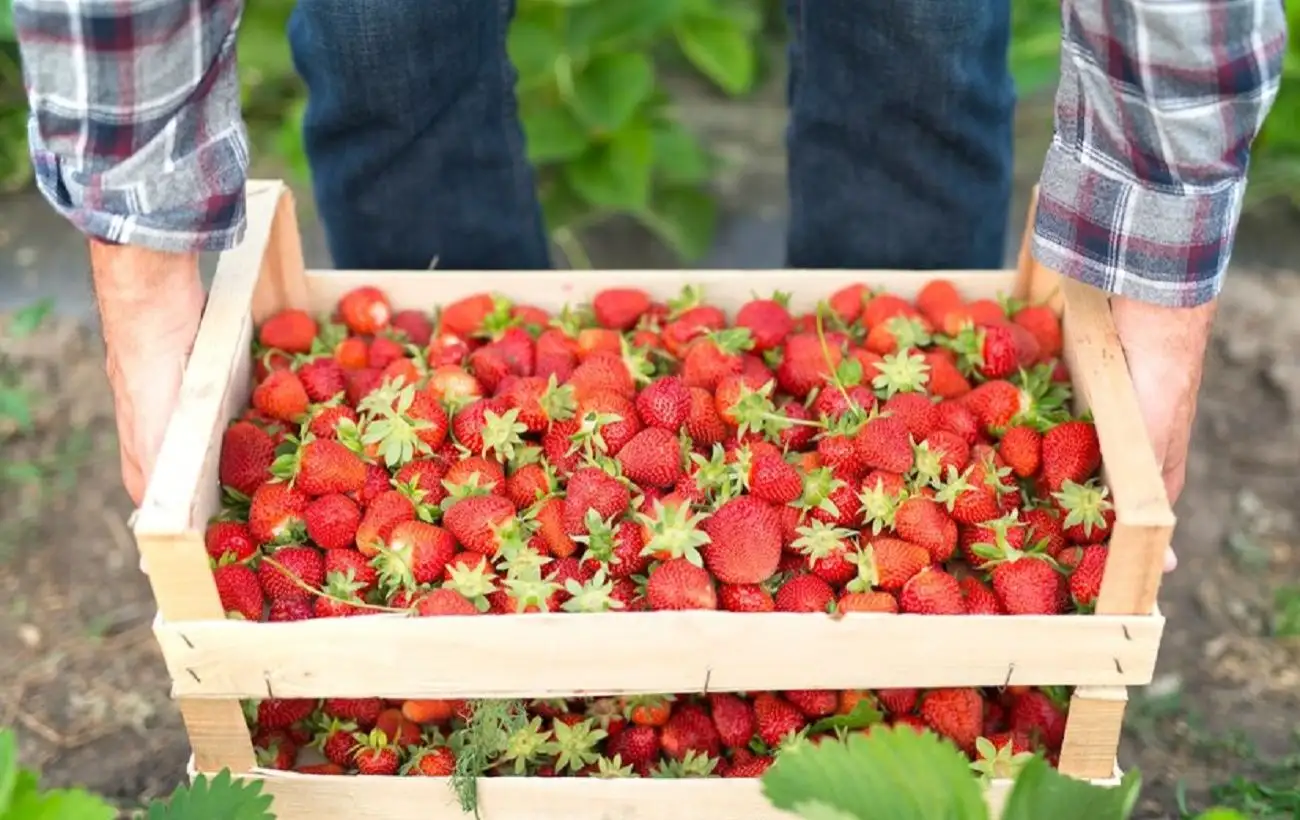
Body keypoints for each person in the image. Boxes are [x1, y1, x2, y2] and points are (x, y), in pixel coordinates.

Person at [13, 0, 1288, 572]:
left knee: (908, 34)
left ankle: (901, 731)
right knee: (385, 34)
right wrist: (140, 281)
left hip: (822, 478)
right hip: (521, 482)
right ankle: (484, 580)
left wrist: (1158, 276)